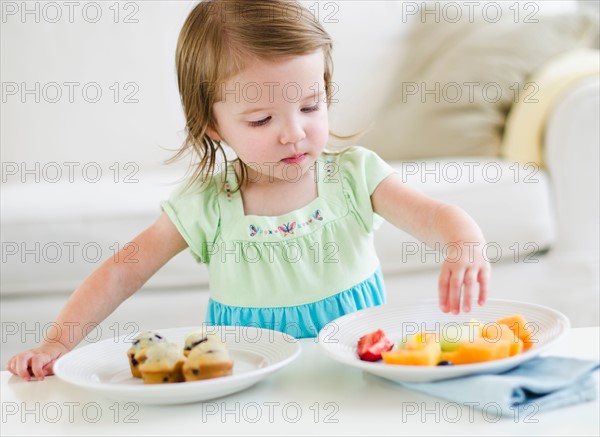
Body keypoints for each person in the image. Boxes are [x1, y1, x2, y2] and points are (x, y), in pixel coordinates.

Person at [7, 0, 490, 381]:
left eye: (310, 106)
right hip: (244, 373)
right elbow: (121, 273)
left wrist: (464, 241)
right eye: (261, 119)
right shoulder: (207, 204)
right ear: (212, 126)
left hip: (356, 360)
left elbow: (432, 215)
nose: (293, 133)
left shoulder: (354, 177)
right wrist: (56, 342)